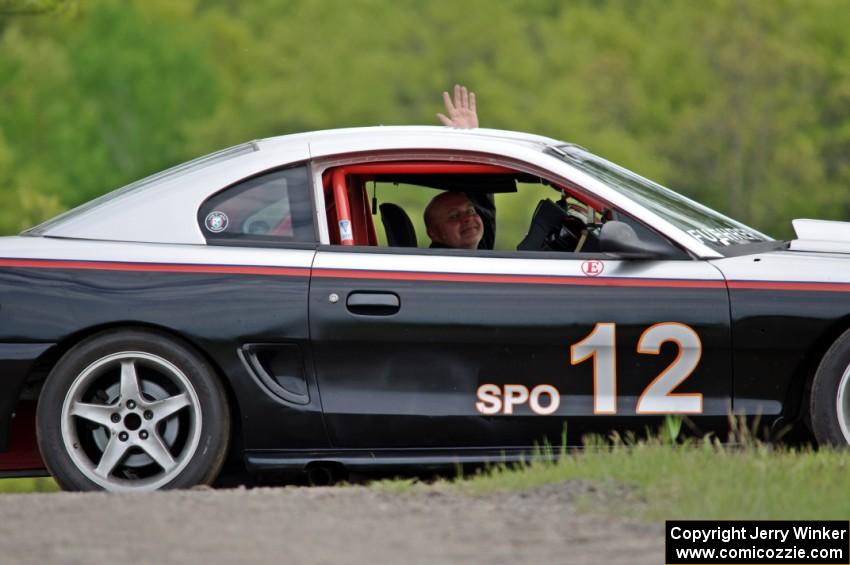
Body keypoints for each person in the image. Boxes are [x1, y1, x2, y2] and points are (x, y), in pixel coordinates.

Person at [428, 84, 496, 249]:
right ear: (434, 234)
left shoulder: (470, 252)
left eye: (471, 211)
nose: (468, 219)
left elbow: (483, 201)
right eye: (453, 216)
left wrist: (470, 140)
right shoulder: (442, 268)